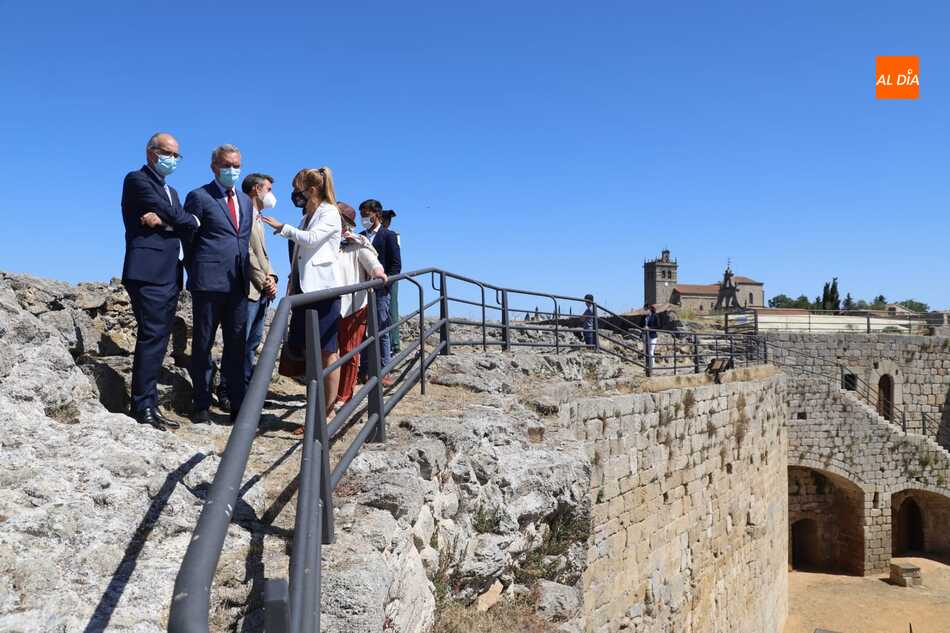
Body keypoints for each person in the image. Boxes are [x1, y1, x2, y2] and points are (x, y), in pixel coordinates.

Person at [120, 132, 200, 431]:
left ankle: (149, 404)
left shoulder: (173, 192)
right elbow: (179, 218)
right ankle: (142, 407)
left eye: (177, 155)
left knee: (158, 339)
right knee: (152, 337)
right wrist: (178, 221)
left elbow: (181, 221)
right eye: (169, 153)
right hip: (147, 271)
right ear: (151, 152)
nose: (173, 160)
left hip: (169, 273)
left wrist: (170, 222)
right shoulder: (137, 180)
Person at [261, 167, 342, 430]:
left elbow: (312, 240)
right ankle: (316, 412)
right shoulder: (310, 214)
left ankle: (328, 414)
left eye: (298, 188)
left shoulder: (329, 212)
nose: (295, 194)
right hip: (306, 289)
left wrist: (283, 227)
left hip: (323, 289)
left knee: (328, 352)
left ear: (312, 189)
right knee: (312, 353)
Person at [183, 144, 252, 424]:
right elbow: (188, 239)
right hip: (208, 283)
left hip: (239, 283)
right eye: (227, 165)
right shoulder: (199, 196)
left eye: (237, 165)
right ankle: (201, 403)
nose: (232, 170)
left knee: (237, 345)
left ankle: (237, 405)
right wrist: (197, 271)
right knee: (203, 343)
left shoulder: (246, 200)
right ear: (214, 166)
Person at [217, 174, 279, 403]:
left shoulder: (258, 217)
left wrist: (272, 276)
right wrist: (264, 279)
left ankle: (244, 393)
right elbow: (246, 252)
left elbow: (262, 253)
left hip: (260, 290)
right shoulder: (242, 215)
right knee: (238, 344)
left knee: (251, 345)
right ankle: (227, 392)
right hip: (247, 288)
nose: (271, 195)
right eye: (269, 189)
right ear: (256, 189)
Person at [333, 202, 386, 411]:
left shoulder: (357, 243)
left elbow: (372, 262)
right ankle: (329, 394)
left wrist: (378, 272)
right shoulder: (326, 243)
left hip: (352, 306)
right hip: (329, 305)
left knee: (349, 351)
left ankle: (344, 395)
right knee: (329, 353)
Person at [358, 199, 401, 386]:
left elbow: (396, 265)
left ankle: (384, 370)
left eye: (366, 214)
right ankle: (364, 370)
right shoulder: (359, 236)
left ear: (377, 214)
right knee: (361, 331)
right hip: (360, 291)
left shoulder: (388, 236)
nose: (364, 218)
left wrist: (385, 284)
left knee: (382, 330)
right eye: (362, 215)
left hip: (381, 291)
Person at [380, 209, 401, 355]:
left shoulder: (392, 235)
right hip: (377, 278)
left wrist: (389, 279)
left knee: (391, 309)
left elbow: (395, 262)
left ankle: (394, 343)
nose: (387, 221)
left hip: (389, 278)